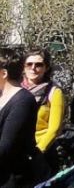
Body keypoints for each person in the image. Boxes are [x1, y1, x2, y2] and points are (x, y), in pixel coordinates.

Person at [0, 47, 42, 187]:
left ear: (4, 73)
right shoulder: (1, 96)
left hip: (11, 179)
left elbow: (5, 147)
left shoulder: (23, 101)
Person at [22, 47, 64, 153]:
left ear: (46, 68)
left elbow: (54, 129)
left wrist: (38, 152)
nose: (33, 68)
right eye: (29, 64)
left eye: (39, 65)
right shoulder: (15, 87)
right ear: (23, 66)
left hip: (38, 148)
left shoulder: (54, 92)